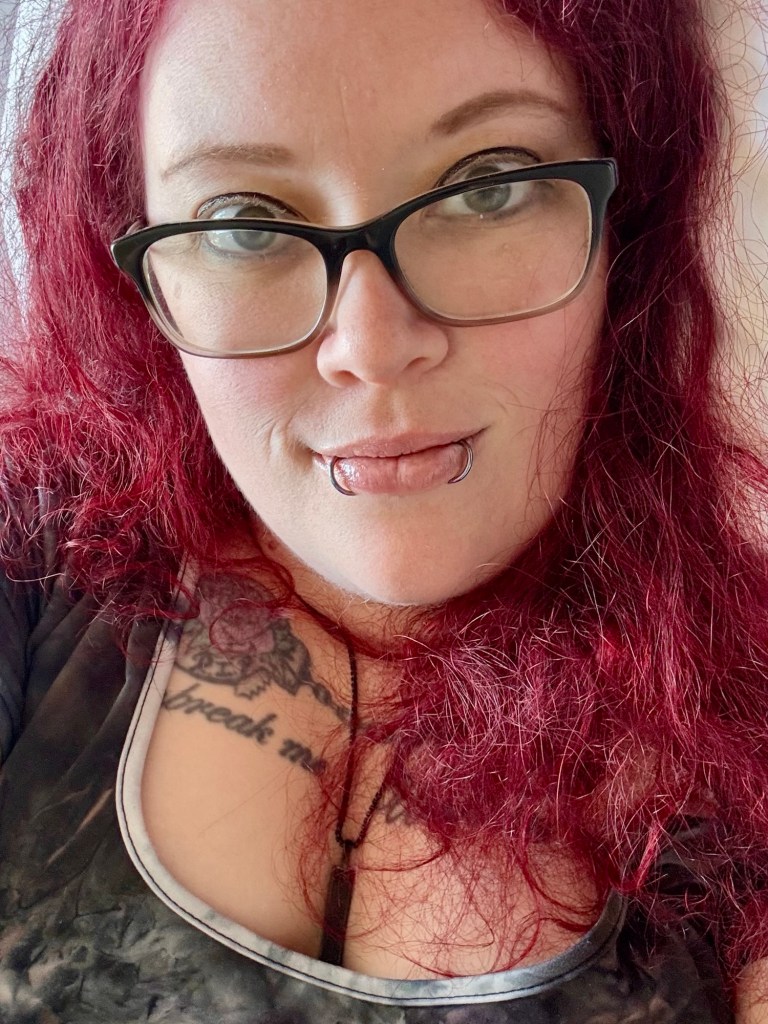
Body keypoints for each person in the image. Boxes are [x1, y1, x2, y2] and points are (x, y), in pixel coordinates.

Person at [0, 0, 766, 1020]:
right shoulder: (32, 554)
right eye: (244, 224)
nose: (371, 345)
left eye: (488, 186)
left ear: (631, 219)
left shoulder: (739, 729)